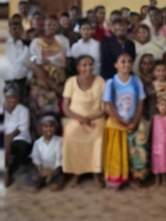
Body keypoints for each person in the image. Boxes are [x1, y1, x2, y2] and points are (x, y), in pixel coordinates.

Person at [102, 53, 147, 189]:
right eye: (122, 62)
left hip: (133, 120)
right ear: (116, 65)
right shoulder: (111, 83)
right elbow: (108, 105)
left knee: (136, 151)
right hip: (117, 122)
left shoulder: (136, 81)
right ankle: (118, 178)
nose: (126, 64)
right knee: (118, 152)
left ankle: (136, 177)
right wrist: (121, 122)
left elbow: (140, 102)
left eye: (129, 61)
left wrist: (134, 122)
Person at [61, 55, 106, 188]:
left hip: (96, 119)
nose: (88, 68)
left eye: (90, 64)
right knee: (70, 135)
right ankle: (77, 173)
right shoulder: (71, 82)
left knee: (98, 137)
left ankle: (96, 173)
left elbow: (105, 105)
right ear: (78, 68)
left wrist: (94, 117)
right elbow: (65, 107)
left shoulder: (100, 81)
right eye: (84, 65)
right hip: (77, 119)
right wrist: (81, 119)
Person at [28, 17, 69, 122]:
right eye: (49, 25)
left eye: (54, 25)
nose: (52, 27)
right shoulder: (36, 42)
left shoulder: (62, 40)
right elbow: (33, 61)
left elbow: (66, 60)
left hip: (59, 80)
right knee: (43, 111)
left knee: (57, 110)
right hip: (42, 80)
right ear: (43, 27)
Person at [3, 85, 31, 187]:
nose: (10, 100)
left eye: (13, 97)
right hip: (5, 137)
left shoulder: (23, 110)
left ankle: (9, 172)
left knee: (21, 148)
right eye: (8, 97)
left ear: (18, 98)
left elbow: (22, 129)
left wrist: (9, 138)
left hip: (19, 137)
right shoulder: (3, 109)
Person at [28, 116, 63, 191]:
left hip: (55, 170)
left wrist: (51, 172)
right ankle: (44, 180)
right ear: (41, 129)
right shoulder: (37, 142)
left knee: (55, 186)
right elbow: (36, 158)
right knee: (34, 178)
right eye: (45, 126)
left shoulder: (60, 141)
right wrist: (41, 171)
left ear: (55, 128)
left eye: (51, 126)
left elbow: (59, 160)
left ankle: (49, 180)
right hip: (42, 170)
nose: (48, 129)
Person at [4, 21, 30, 99]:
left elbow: (29, 64)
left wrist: (29, 78)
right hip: (6, 80)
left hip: (21, 80)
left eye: (19, 29)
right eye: (14, 29)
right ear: (10, 31)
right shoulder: (5, 45)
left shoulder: (26, 46)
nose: (17, 31)